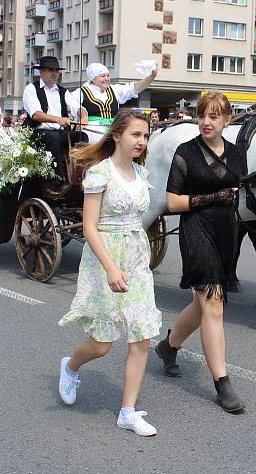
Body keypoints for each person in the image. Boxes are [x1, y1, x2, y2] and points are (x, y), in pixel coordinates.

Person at [57, 109, 162, 436]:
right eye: (135, 135)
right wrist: (111, 268)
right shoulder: (100, 174)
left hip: (136, 256)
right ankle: (71, 366)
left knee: (142, 335)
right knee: (102, 343)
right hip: (105, 257)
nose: (141, 142)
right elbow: (89, 227)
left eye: (145, 136)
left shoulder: (141, 174)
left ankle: (127, 412)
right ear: (117, 135)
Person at [155, 92, 247, 413]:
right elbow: (173, 203)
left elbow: (238, 192)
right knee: (214, 307)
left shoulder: (237, 154)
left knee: (202, 304)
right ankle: (222, 384)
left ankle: (168, 347)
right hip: (196, 230)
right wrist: (213, 197)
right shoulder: (186, 153)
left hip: (226, 234)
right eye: (202, 116)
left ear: (227, 119)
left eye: (214, 117)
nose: (206, 122)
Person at [22, 56, 87, 192]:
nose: (54, 73)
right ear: (41, 72)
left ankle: (79, 176)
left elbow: (77, 108)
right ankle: (57, 181)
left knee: (81, 136)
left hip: (59, 132)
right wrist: (58, 119)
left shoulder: (63, 91)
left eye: (56, 70)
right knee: (53, 137)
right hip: (37, 132)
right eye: (50, 70)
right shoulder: (31, 89)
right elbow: (36, 115)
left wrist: (83, 116)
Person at [71, 63, 157, 144]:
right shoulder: (80, 92)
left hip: (113, 132)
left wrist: (151, 77)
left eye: (108, 76)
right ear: (93, 78)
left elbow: (133, 89)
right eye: (103, 76)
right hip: (92, 133)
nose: (106, 79)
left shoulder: (114, 90)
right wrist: (83, 115)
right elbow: (72, 106)